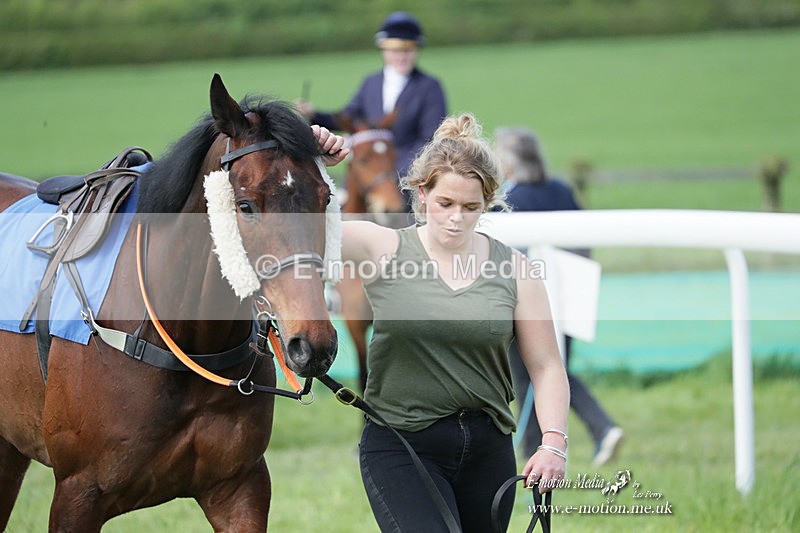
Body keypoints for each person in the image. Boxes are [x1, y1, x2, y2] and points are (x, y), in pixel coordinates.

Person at [313, 116, 569, 532]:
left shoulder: (518, 270)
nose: (456, 219)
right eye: (445, 204)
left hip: (490, 448)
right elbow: (299, 228)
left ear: (487, 202)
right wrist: (312, 158)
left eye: (471, 207)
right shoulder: (382, 246)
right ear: (421, 193)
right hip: (401, 445)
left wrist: (554, 443)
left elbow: (546, 366)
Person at [494, 126, 624, 467]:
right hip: (571, 294)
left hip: (529, 300)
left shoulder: (510, 199)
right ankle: (600, 429)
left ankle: (536, 455)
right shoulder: (562, 190)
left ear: (507, 163)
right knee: (555, 368)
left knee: (531, 376)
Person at [297, 11, 447, 207]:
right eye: (395, 50)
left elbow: (429, 139)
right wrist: (314, 114)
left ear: (416, 50)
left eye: (408, 50)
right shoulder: (371, 83)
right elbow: (349, 117)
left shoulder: (430, 87)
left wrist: (392, 171)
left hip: (408, 174)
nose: (401, 56)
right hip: (371, 170)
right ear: (383, 50)